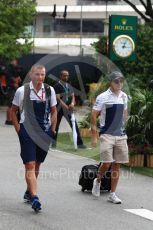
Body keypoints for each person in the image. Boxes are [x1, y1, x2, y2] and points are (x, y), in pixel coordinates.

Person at [11, 64, 57, 211]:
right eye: (37, 74)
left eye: (42, 74)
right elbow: (13, 111)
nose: (40, 77)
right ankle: (35, 198)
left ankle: (29, 191)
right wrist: (19, 130)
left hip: (44, 132)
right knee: (29, 165)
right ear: (31, 75)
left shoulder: (50, 90)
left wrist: (53, 129)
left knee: (37, 165)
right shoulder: (22, 91)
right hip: (27, 132)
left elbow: (54, 111)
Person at [91, 71, 129, 204]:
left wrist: (124, 126)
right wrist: (94, 135)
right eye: (116, 81)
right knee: (106, 163)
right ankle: (98, 180)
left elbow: (125, 114)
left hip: (121, 135)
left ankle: (112, 194)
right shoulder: (103, 97)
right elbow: (94, 115)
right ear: (111, 83)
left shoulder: (124, 97)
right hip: (106, 134)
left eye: (121, 81)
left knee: (117, 164)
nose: (119, 83)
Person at [52, 70, 86, 149]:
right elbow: (58, 99)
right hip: (59, 109)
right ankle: (53, 145)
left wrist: (72, 104)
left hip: (68, 109)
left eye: (67, 75)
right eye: (64, 75)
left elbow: (73, 96)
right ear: (61, 76)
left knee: (74, 125)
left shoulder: (69, 85)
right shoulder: (57, 86)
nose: (66, 77)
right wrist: (66, 107)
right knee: (55, 126)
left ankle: (80, 144)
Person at [5, 59, 22, 125]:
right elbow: (10, 77)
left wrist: (18, 79)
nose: (15, 62)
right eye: (13, 60)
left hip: (14, 88)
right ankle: (9, 120)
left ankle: (11, 119)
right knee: (11, 104)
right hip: (10, 88)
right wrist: (15, 80)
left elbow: (18, 77)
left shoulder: (15, 69)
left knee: (14, 104)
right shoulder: (9, 69)